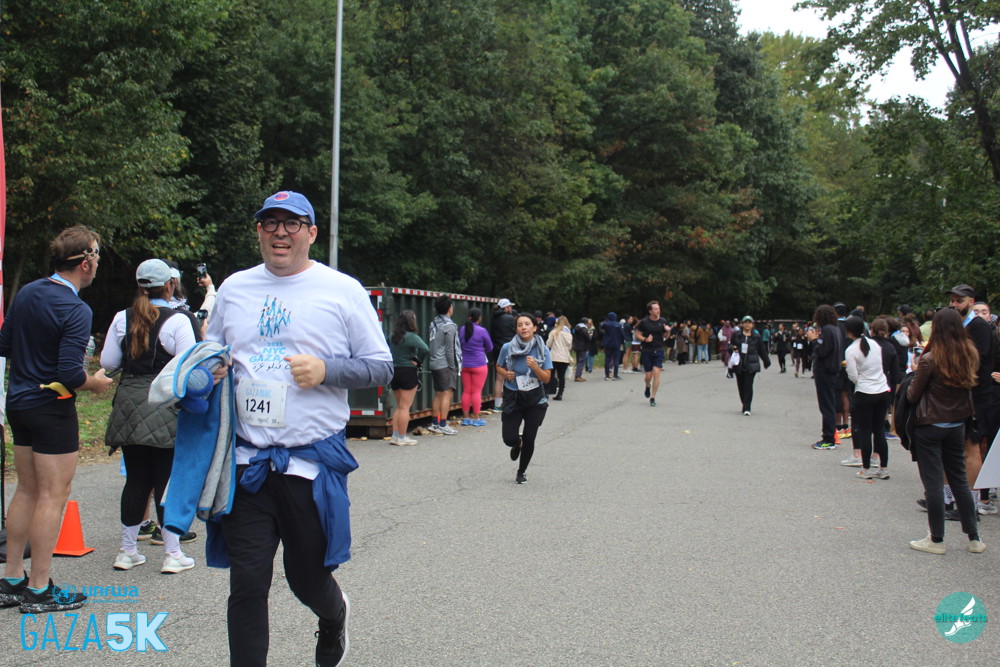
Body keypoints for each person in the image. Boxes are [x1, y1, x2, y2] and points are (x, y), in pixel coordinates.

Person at [205, 190, 393, 666]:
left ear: (311, 233)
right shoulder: (234, 288)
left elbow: (381, 366)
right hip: (248, 463)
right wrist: (210, 368)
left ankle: (334, 615)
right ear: (259, 231)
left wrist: (327, 370)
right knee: (247, 583)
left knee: (307, 579)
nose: (280, 233)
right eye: (271, 223)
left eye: (292, 224)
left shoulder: (342, 290)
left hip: (309, 464)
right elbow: (211, 352)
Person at [0, 226, 113, 613]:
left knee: (26, 490)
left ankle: (11, 579)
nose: (98, 263)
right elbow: (69, 372)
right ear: (86, 263)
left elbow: (5, 344)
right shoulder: (77, 309)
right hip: (51, 407)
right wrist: (95, 383)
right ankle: (38, 589)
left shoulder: (28, 292)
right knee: (52, 494)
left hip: (19, 402)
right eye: (97, 256)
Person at [101, 258, 202, 573]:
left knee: (136, 478)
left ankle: (127, 551)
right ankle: (172, 553)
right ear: (170, 285)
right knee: (165, 480)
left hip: (129, 403)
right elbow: (189, 366)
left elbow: (108, 362)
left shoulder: (122, 318)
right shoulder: (178, 320)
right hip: (164, 402)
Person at [906, 307, 985, 554]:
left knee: (933, 483)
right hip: (957, 423)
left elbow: (912, 395)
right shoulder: (970, 353)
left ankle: (936, 539)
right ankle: (974, 537)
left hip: (930, 424)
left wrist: (914, 373)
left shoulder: (930, 358)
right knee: (959, 479)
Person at [496, 314, 553, 484]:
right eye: (520, 325)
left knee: (530, 437)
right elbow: (498, 366)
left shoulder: (542, 349)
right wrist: (506, 374)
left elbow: (546, 378)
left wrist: (535, 367)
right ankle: (516, 443)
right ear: (516, 329)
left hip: (534, 398)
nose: (523, 327)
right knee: (508, 438)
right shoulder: (508, 347)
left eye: (527, 324)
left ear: (534, 327)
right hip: (513, 395)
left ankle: (521, 472)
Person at [842, 316, 891, 479]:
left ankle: (866, 469)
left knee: (865, 431)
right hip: (882, 390)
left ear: (849, 332)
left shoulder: (851, 350)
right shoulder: (875, 344)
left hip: (865, 392)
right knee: (879, 431)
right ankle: (883, 468)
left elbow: (852, 375)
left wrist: (861, 382)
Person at [388, 309, 427, 445]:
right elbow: (425, 349)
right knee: (405, 407)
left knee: (399, 406)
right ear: (411, 322)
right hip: (407, 371)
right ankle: (402, 437)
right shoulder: (411, 337)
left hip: (394, 371)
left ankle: (394, 436)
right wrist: (418, 361)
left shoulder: (392, 336)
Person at [807, 305, 842, 450]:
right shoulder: (836, 329)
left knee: (826, 405)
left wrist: (814, 340)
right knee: (830, 403)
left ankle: (828, 438)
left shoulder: (827, 330)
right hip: (833, 370)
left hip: (825, 371)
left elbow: (822, 351)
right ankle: (830, 435)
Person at [427, 295, 461, 435]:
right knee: (447, 394)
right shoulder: (450, 326)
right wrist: (453, 366)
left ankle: (435, 423)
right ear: (449, 308)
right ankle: (443, 424)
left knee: (438, 393)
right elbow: (450, 349)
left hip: (434, 362)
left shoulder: (434, 323)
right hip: (444, 364)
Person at [730, 315, 770, 415]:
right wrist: (732, 348)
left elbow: (762, 350)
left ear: (752, 325)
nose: (747, 324)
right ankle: (744, 402)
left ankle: (747, 408)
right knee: (741, 385)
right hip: (739, 363)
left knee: (748, 385)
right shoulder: (736, 335)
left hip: (751, 364)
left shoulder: (756, 337)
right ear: (742, 324)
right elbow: (730, 345)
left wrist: (766, 361)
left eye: (749, 323)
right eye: (745, 322)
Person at [459, 307, 493, 423]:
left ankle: (466, 418)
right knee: (476, 392)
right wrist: (481, 349)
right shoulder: (482, 331)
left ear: (469, 317)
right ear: (479, 318)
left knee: (466, 391)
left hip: (465, 365)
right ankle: (476, 419)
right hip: (479, 364)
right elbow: (490, 347)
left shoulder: (462, 329)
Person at [636, 301, 669, 406]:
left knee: (656, 372)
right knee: (648, 376)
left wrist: (668, 331)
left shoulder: (663, 321)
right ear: (650, 311)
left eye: (659, 308)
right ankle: (647, 386)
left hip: (659, 349)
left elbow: (666, 337)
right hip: (647, 350)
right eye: (655, 309)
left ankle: (653, 397)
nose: (658, 310)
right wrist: (646, 339)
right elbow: (638, 334)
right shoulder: (644, 322)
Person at [490, 298, 517, 407]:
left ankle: (497, 404)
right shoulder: (510, 318)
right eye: (510, 306)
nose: (511, 308)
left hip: (497, 349)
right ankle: (509, 402)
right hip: (510, 350)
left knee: (499, 378)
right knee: (510, 376)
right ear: (506, 307)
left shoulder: (494, 318)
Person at [546, 315, 573, 399]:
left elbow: (548, 344)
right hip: (564, 357)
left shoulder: (554, 332)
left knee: (550, 375)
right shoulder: (569, 334)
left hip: (554, 357)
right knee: (561, 377)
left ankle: (547, 392)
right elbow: (569, 347)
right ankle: (560, 394)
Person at [601, 312, 625, 380]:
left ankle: (607, 375)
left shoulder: (606, 324)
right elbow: (622, 334)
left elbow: (601, 327)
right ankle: (615, 375)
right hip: (616, 343)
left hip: (607, 344)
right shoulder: (618, 325)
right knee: (616, 359)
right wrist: (622, 342)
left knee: (607, 359)